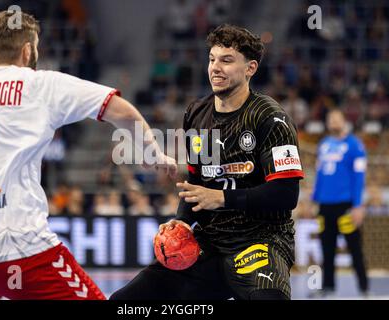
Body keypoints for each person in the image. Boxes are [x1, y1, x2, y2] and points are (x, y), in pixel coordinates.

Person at [0, 10, 177, 300]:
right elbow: (122, 111)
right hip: (19, 251)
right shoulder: (39, 84)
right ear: (28, 51)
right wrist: (153, 154)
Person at [111, 24, 304, 300]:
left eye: (226, 61)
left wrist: (222, 198)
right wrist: (181, 223)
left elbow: (287, 194)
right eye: (212, 59)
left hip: (260, 241)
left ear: (250, 68)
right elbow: (197, 184)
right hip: (209, 243)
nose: (215, 67)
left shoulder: (271, 119)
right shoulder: (196, 114)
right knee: (124, 302)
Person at [312, 109, 369, 297]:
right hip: (325, 206)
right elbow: (319, 175)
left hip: (346, 206)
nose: (333, 121)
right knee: (326, 248)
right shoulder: (323, 145)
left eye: (337, 118)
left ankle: (364, 287)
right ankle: (328, 286)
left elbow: (359, 177)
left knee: (354, 248)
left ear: (344, 121)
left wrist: (358, 205)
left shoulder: (355, 145)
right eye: (330, 119)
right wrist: (314, 200)